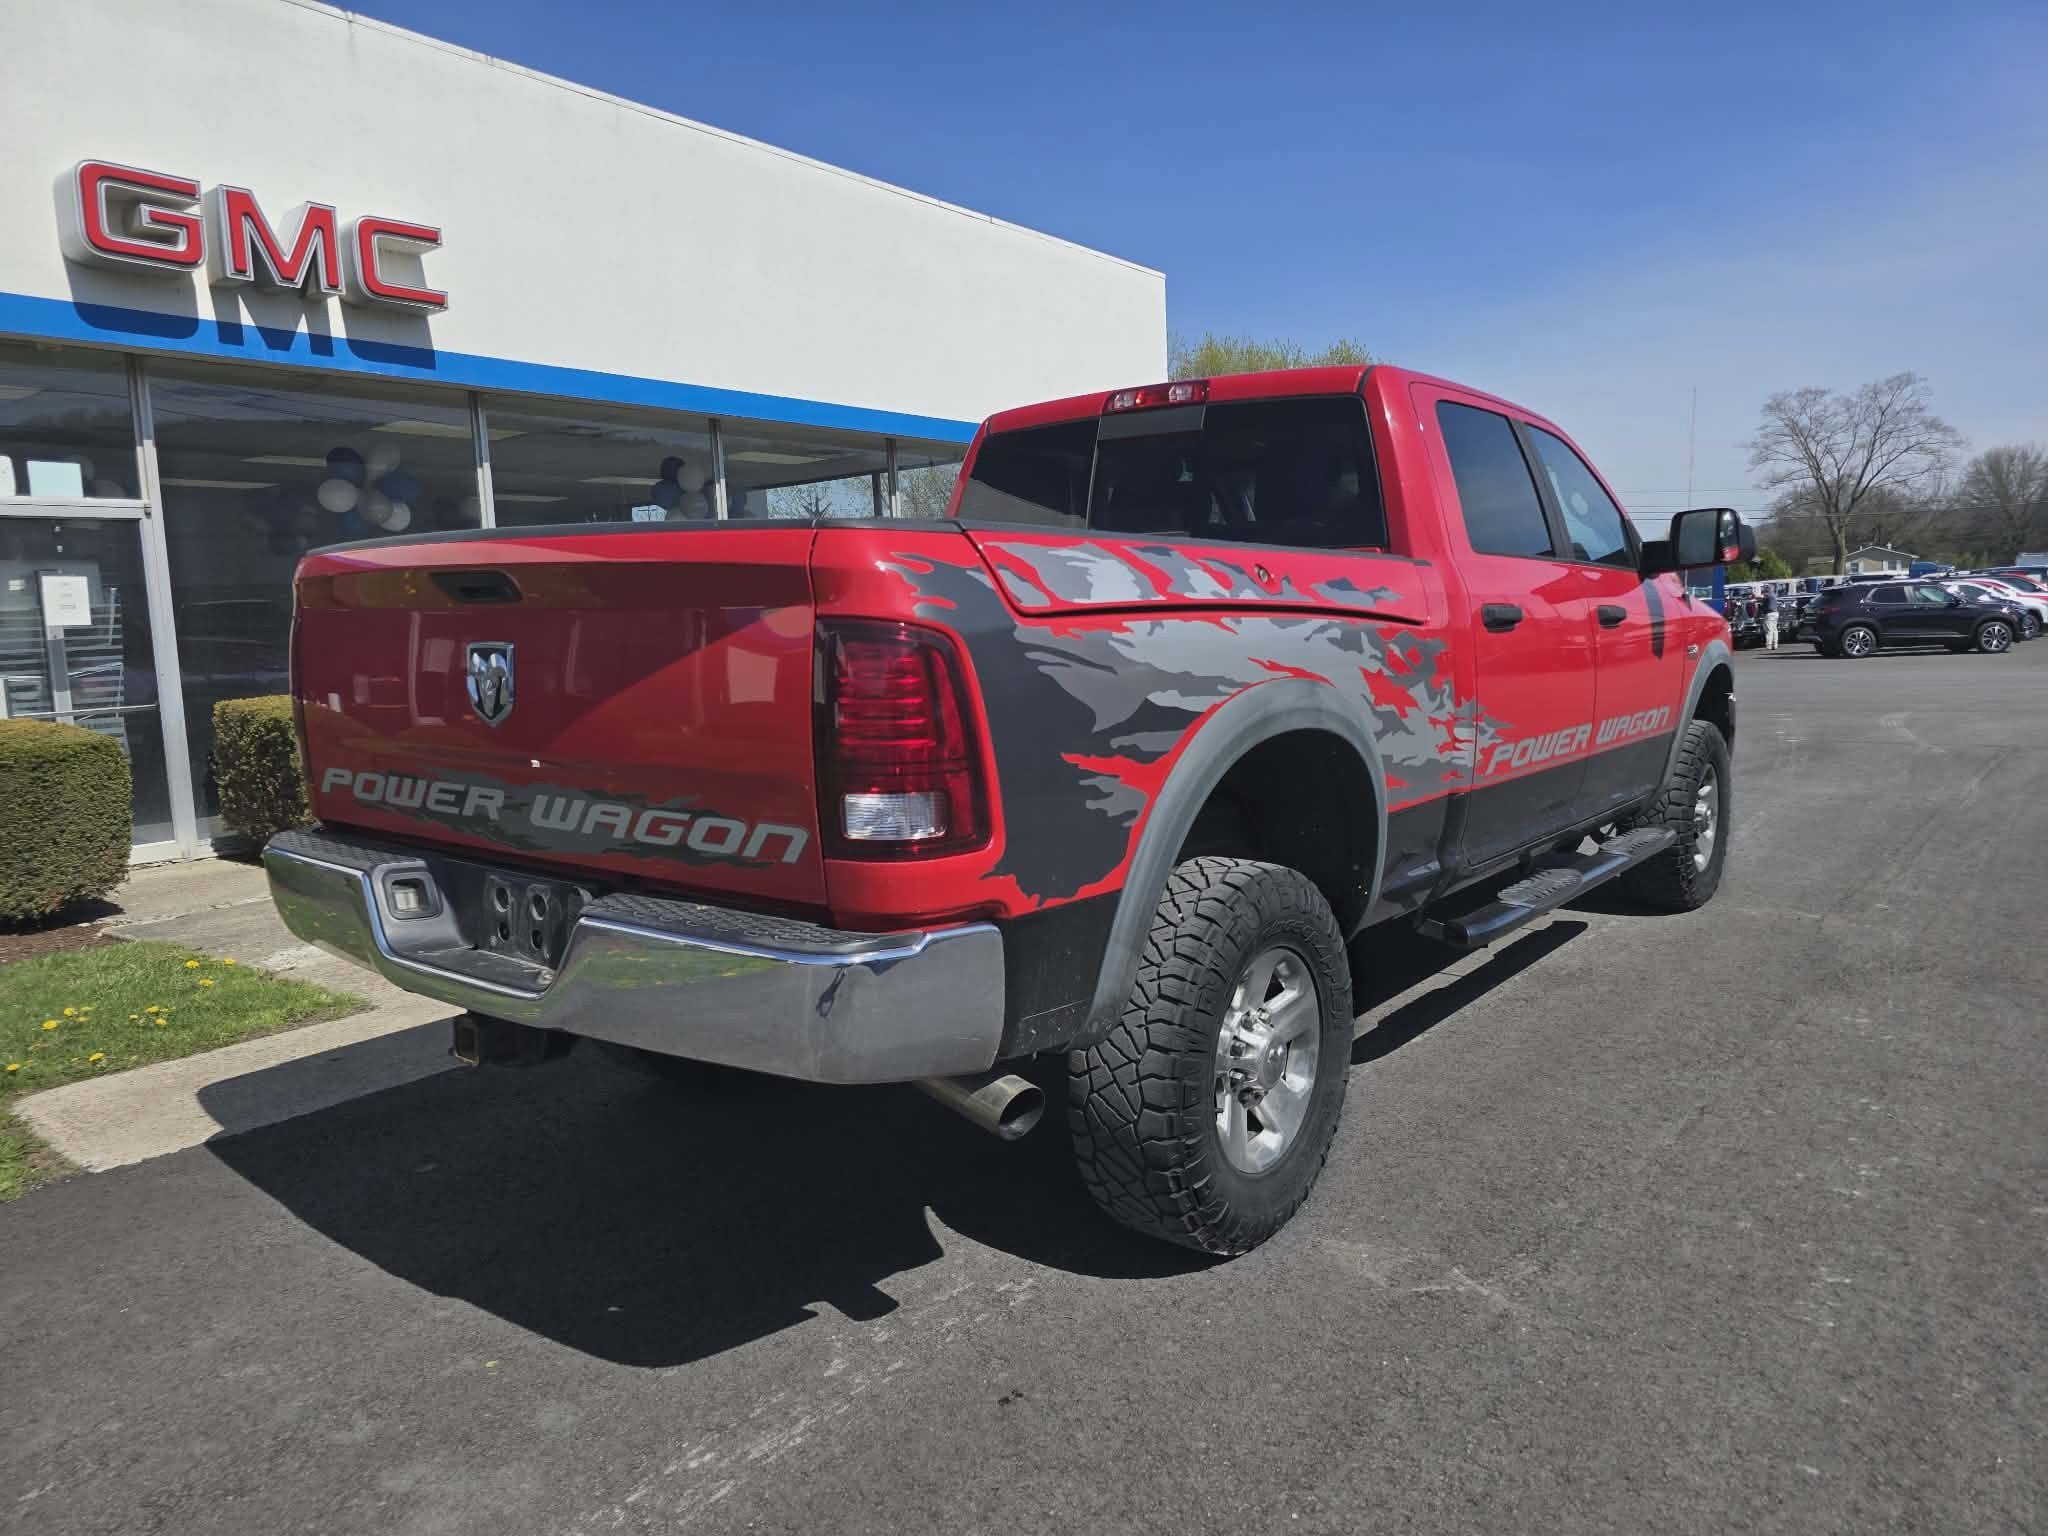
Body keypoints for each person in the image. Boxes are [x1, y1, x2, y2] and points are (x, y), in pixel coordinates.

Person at [1762, 585, 1780, 650]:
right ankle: (1775, 644)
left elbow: (1759, 596)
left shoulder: (1769, 595)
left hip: (1770, 614)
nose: (1764, 590)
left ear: (1768, 589)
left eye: (1765, 588)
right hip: (1775, 613)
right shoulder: (1774, 595)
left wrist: (1753, 595)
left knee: (1769, 630)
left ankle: (1769, 645)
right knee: (1774, 630)